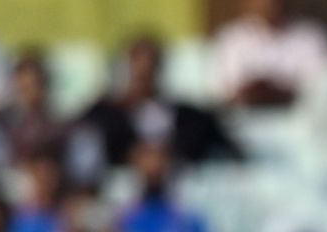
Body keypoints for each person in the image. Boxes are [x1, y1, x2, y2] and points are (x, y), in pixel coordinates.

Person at [75, 36, 240, 173]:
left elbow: (226, 147)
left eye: (149, 72)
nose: (144, 79)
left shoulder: (188, 117)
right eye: (139, 74)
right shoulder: (104, 114)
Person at [211, 0, 327, 109]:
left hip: (298, 125)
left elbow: (319, 91)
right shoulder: (233, 37)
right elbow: (226, 91)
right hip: (242, 124)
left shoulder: (311, 35)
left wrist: (274, 92)